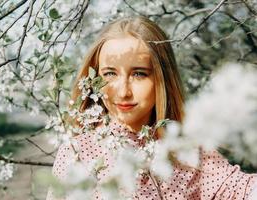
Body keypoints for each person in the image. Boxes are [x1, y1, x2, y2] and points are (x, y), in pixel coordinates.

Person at [46, 16, 257, 200]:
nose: (123, 92)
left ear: (162, 79)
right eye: (110, 74)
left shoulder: (189, 150)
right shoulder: (77, 153)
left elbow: (244, 190)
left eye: (139, 74)